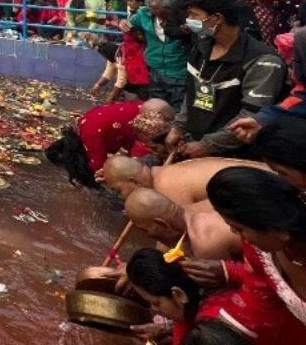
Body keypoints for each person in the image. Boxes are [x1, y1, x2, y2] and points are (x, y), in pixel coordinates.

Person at [166, 0, 288, 159]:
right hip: (198, 146)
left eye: (194, 15)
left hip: (237, 156)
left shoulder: (262, 61)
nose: (189, 20)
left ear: (216, 19)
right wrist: (178, 127)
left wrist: (207, 145)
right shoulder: (201, 48)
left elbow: (251, 116)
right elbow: (193, 94)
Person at [201, 167, 306, 341]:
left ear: (279, 231)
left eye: (240, 228)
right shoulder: (261, 250)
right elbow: (258, 290)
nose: (233, 232)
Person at [45, 98, 171, 187]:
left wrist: (80, 183)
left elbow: (100, 168)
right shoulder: (83, 123)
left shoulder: (89, 136)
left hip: (152, 124)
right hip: (151, 112)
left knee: (149, 169)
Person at [102, 153, 269, 207]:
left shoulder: (167, 188)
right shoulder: (164, 173)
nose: (122, 197)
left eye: (119, 190)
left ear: (135, 181)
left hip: (268, 191)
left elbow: (172, 244)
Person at [124, 188, 242, 260]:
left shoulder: (203, 244)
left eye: (145, 230)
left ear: (164, 225)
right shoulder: (191, 215)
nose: (148, 235)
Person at [124, 0, 192, 107]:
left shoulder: (181, 16)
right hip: (155, 69)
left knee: (178, 108)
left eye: (166, 12)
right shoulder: (143, 14)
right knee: (157, 109)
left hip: (179, 71)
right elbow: (130, 23)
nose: (163, 17)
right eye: (157, 13)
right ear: (150, 10)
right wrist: (124, 22)